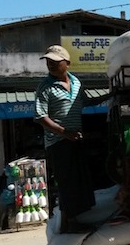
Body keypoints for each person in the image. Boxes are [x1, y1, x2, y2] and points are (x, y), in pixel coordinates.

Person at [34, 45, 110, 233]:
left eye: (55, 62)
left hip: (75, 139)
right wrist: (64, 132)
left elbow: (85, 101)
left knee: (79, 180)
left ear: (67, 63)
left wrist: (110, 95)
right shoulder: (45, 87)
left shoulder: (76, 82)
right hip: (58, 142)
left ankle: (78, 219)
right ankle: (70, 222)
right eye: (48, 62)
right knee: (67, 182)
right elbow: (40, 116)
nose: (50, 65)